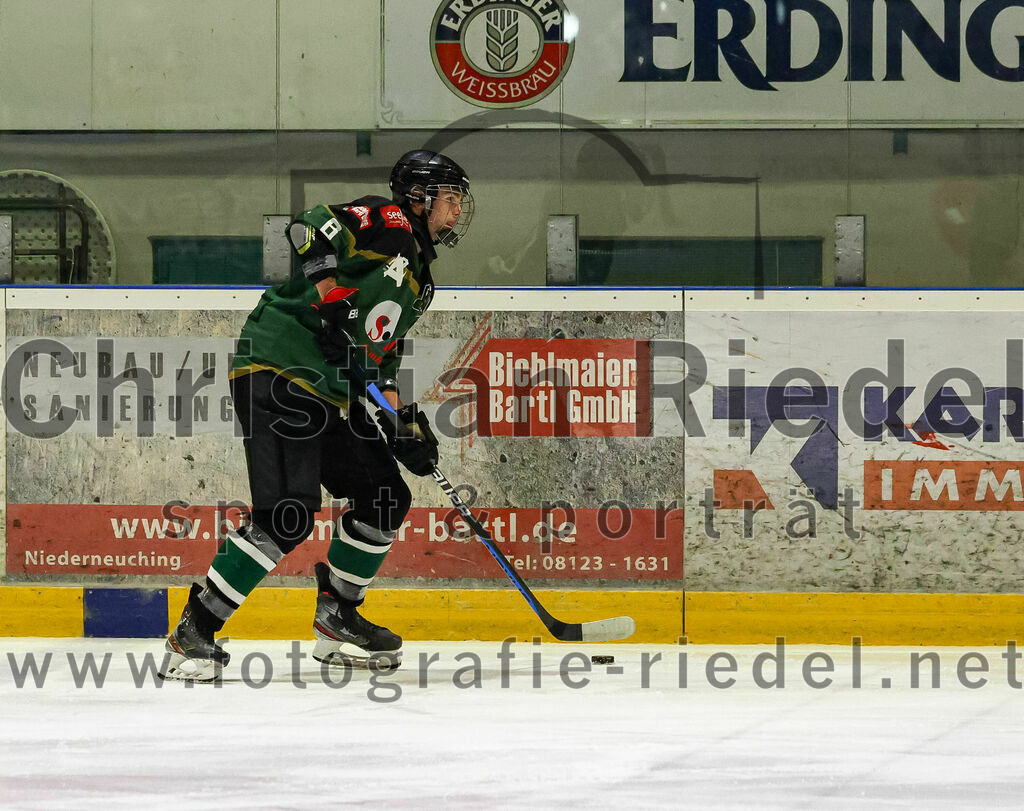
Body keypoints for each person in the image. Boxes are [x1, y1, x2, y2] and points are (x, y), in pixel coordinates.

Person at [160, 150, 474, 680]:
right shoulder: (388, 222)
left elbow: (379, 359)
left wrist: (403, 427)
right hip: (279, 365)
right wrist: (329, 294)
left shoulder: (421, 284)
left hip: (332, 391)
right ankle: (195, 630)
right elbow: (307, 228)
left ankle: (338, 616)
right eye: (450, 198)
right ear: (418, 198)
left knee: (384, 495)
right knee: (288, 511)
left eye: (460, 200)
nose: (457, 210)